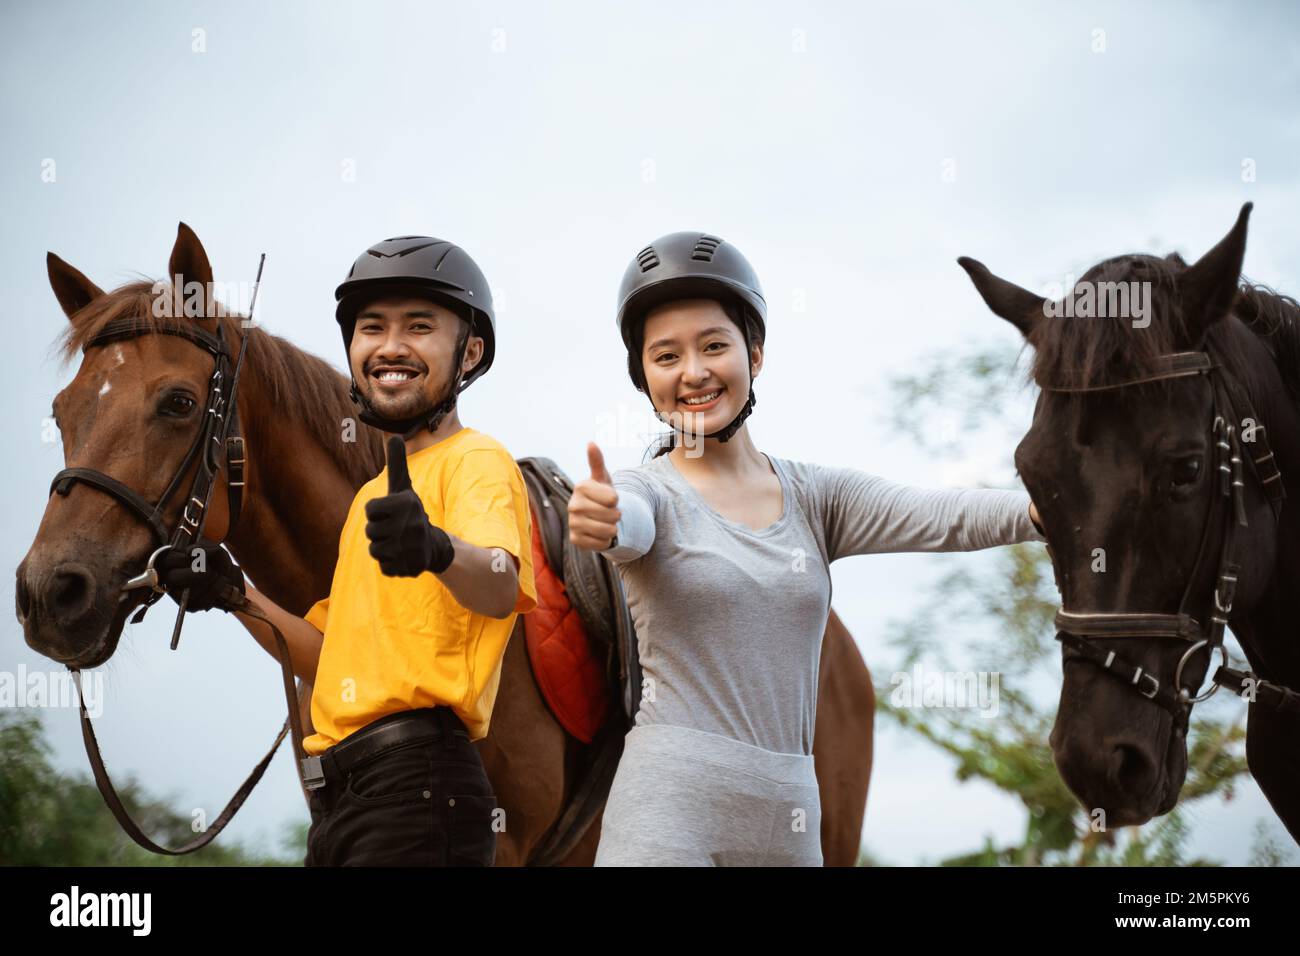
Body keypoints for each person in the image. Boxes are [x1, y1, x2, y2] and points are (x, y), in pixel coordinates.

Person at [567, 231, 1045, 866]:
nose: (694, 372)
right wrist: (603, 518)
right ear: (644, 378)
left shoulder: (818, 498)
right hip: (670, 805)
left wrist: (1055, 512)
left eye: (714, 345)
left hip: (791, 811)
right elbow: (629, 523)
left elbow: (940, 514)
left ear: (754, 354)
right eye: (666, 356)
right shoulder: (644, 491)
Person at [157, 235, 537, 866]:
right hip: (345, 798)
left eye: (419, 326)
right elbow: (327, 657)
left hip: (421, 789)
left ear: (470, 351)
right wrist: (232, 593)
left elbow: (500, 585)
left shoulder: (478, 459)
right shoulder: (371, 498)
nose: (390, 346)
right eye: (371, 328)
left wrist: (436, 550)